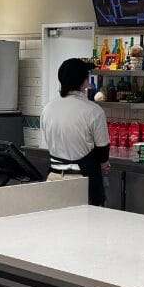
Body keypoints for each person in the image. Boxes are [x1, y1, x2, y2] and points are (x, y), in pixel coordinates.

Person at [41, 58, 110, 206]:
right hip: (82, 183)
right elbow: (103, 151)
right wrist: (104, 165)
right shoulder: (93, 111)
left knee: (57, 227)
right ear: (85, 82)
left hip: (53, 178)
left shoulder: (48, 108)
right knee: (88, 227)